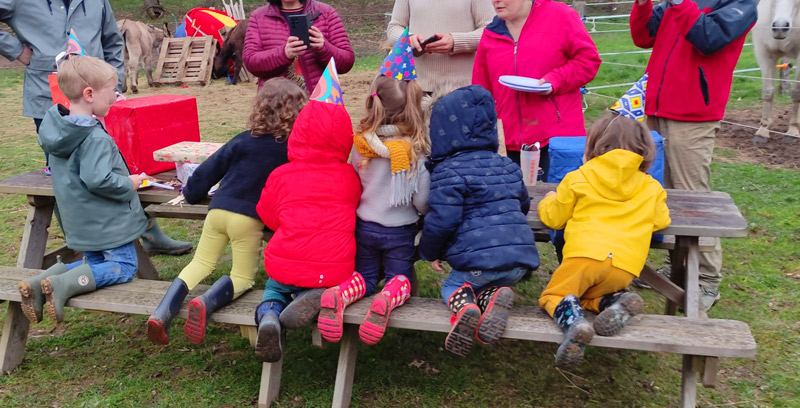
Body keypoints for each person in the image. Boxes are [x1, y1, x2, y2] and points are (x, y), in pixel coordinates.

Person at [0, 0, 192, 256]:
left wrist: (114, 86)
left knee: (114, 166)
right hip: (48, 99)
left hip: (97, 100)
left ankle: (146, 232)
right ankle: (85, 245)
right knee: (67, 177)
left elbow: (112, 40)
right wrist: (15, 50)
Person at [145, 78, 307, 345]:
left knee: (199, 263)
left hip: (218, 209)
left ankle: (162, 313)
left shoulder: (242, 140)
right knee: (242, 277)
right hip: (249, 218)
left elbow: (208, 170)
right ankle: (206, 303)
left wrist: (191, 193)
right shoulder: (291, 148)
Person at [630, 0, 756, 316]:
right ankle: (675, 263)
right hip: (656, 107)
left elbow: (708, 37)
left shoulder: (741, 4)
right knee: (657, 189)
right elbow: (643, 36)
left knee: (694, 197)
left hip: (694, 114)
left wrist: (681, 3)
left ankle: (707, 279)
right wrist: (643, 5)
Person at [17, 55, 148, 324]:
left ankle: (42, 280)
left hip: (79, 222)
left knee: (95, 266)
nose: (115, 96)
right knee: (123, 267)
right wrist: (129, 183)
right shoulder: (94, 137)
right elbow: (98, 179)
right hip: (107, 222)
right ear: (89, 93)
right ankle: (61, 285)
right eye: (112, 90)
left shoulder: (56, 129)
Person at [537, 112, 671, 367]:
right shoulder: (651, 186)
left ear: (594, 145)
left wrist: (548, 199)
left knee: (554, 296)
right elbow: (661, 220)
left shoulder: (579, 177)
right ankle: (617, 300)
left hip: (583, 257)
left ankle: (574, 324)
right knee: (587, 297)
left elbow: (554, 219)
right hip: (625, 266)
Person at [251, 60, 363, 362]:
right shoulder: (350, 177)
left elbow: (268, 216)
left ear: (298, 131)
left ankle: (271, 316)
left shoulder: (281, 175)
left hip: (286, 263)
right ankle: (309, 297)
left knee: (273, 291)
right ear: (344, 137)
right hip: (333, 268)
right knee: (318, 278)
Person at [419, 85, 540, 357]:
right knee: (488, 281)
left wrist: (430, 252)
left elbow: (442, 220)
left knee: (453, 285)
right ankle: (493, 296)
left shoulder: (448, 171)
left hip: (476, 264)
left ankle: (465, 308)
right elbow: (522, 204)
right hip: (519, 263)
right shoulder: (507, 165)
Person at [349, 35, 431, 344]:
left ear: (373, 100)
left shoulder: (361, 145)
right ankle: (392, 295)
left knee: (366, 277)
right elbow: (422, 199)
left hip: (365, 226)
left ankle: (344, 292)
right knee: (400, 278)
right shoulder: (415, 150)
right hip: (400, 230)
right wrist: (422, 213)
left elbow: (355, 184)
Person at [472, 0, 601, 181]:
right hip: (507, 143)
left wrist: (555, 80)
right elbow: (480, 89)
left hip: (557, 140)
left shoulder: (560, 16)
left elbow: (588, 60)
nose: (496, 1)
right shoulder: (490, 32)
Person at [243, 0, 355, 95]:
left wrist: (324, 48)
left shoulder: (326, 13)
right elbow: (251, 62)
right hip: (275, 105)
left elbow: (347, 62)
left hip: (321, 103)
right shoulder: (259, 17)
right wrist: (283, 54)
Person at [387, 0, 495, 94]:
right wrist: (408, 39)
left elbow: (491, 30)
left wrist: (455, 41)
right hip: (415, 89)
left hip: (462, 90)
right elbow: (394, 27)